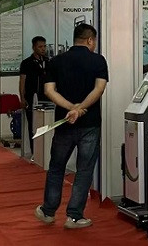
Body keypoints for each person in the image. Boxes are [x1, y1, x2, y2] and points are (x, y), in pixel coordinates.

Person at [35, 24, 108, 229]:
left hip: (64, 123)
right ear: (90, 40)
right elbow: (99, 89)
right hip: (89, 124)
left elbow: (49, 91)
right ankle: (74, 216)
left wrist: (70, 108)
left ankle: (48, 211)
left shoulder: (56, 61)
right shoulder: (98, 60)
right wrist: (80, 108)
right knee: (84, 170)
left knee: (56, 167)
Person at [20, 36, 50, 156]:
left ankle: (45, 152)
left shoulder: (48, 62)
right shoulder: (26, 63)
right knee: (33, 125)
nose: (43, 49)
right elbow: (22, 81)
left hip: (46, 98)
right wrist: (22, 98)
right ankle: (35, 152)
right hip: (31, 98)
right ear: (34, 47)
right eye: (40, 47)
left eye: (44, 46)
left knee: (46, 123)